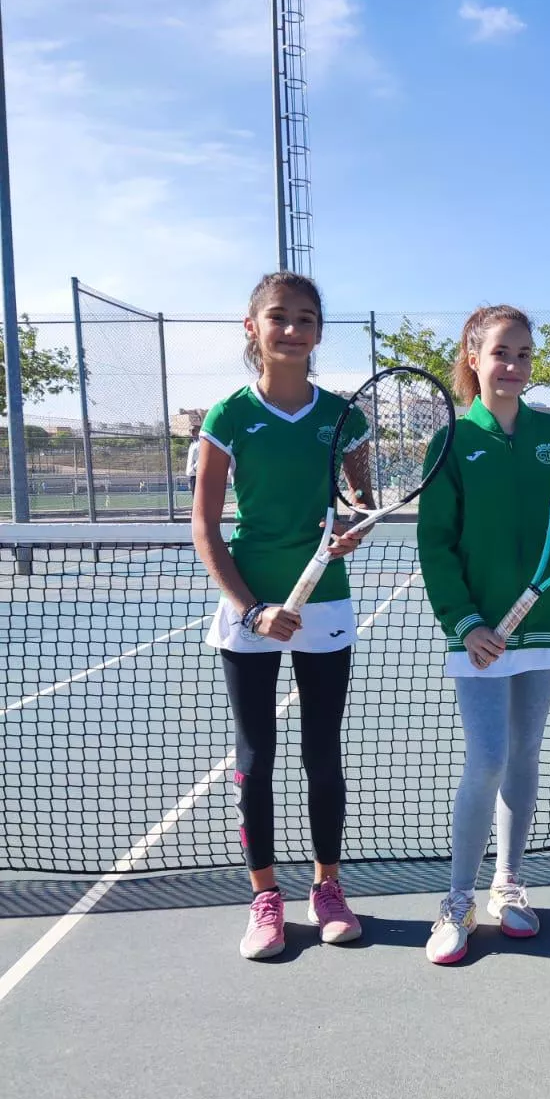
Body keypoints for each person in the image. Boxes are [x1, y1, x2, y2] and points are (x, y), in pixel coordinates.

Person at [192, 271, 366, 960]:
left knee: (323, 756)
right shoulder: (229, 415)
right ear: (252, 327)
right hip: (251, 606)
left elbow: (359, 499)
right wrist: (253, 608)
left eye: (305, 319)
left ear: (319, 332)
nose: (292, 329)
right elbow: (205, 527)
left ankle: (329, 887)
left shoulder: (343, 417)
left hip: (324, 604)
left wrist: (353, 523)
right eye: (279, 317)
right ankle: (266, 897)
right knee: (255, 759)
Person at [417, 306, 550, 965]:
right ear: (474, 359)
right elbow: (436, 545)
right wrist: (466, 622)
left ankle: (508, 884)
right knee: (485, 758)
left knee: (522, 757)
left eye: (522, 355)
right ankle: (457, 898)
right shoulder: (451, 442)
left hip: (544, 626)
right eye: (500, 354)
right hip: (479, 633)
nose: (513, 366)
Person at [185, 425, 201, 495]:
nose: (192, 432)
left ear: (199, 432)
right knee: (194, 496)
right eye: (190, 430)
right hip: (192, 475)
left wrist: (195, 469)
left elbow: (201, 458)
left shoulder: (200, 443)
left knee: (197, 497)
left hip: (197, 475)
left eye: (194, 430)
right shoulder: (192, 444)